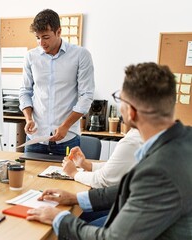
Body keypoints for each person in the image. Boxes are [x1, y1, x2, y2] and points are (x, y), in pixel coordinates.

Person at [27, 62, 192, 239]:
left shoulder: (158, 171)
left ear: (131, 112)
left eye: (120, 99)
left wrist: (59, 219)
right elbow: (131, 187)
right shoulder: (183, 139)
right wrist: (76, 198)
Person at [19, 9, 94, 155]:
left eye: (46, 37)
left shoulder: (80, 55)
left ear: (58, 32)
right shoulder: (30, 57)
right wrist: (28, 119)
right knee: (29, 178)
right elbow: (25, 91)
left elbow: (86, 96)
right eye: (38, 37)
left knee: (66, 177)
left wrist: (65, 125)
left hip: (67, 138)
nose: (41, 43)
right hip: (36, 138)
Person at [62, 128, 143, 188]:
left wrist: (74, 173)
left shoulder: (131, 142)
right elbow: (115, 167)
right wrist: (87, 165)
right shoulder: (136, 133)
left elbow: (102, 180)